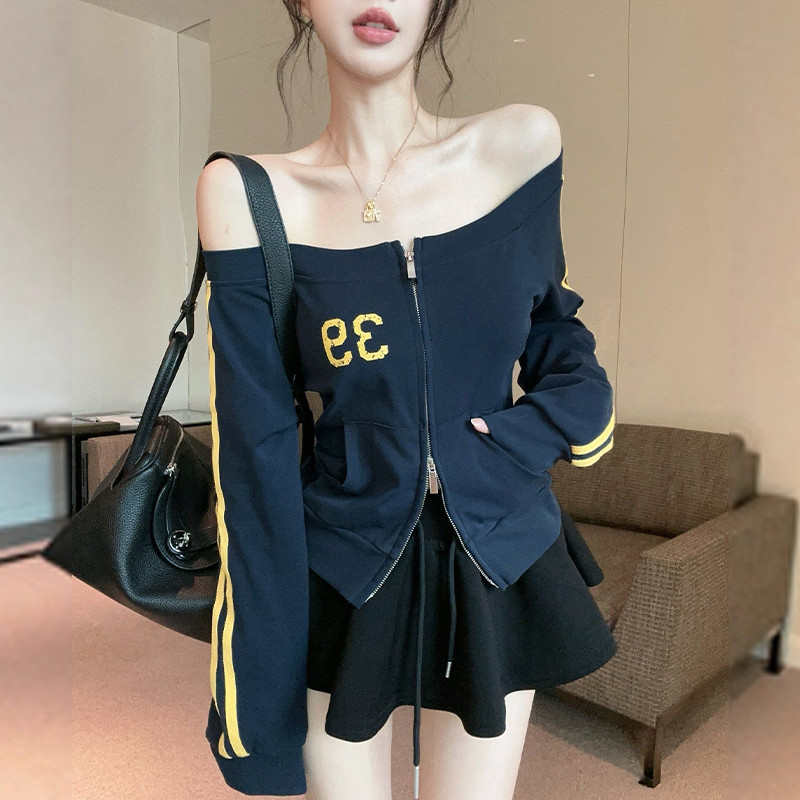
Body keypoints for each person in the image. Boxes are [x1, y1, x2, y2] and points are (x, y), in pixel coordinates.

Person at [195, 1, 617, 798]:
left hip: (498, 551)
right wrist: (250, 712)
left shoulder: (520, 146)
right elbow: (252, 462)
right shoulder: (246, 196)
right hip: (343, 562)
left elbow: (556, 331)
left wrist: (530, 435)